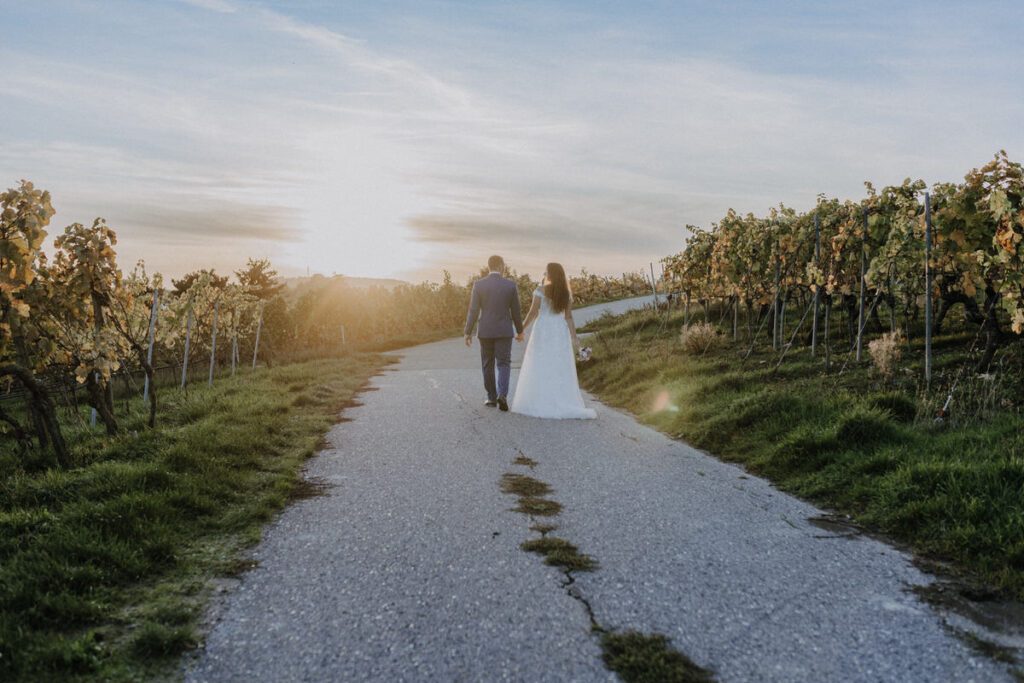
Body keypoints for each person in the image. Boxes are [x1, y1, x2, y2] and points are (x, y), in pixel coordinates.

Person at [511, 262, 597, 419]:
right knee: (558, 364)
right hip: (559, 329)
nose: (544, 274)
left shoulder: (540, 290)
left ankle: (540, 399)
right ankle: (561, 399)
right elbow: (568, 317)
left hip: (543, 329)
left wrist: (521, 329)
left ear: (549, 274)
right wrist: (575, 340)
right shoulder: (566, 294)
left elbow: (532, 313)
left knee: (540, 362)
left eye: (546, 272)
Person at [463, 255, 524, 411]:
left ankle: (491, 397)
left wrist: (468, 331)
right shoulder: (510, 285)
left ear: (489, 266)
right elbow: (516, 311)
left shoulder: (478, 285)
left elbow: (473, 310)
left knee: (487, 364)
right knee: (504, 363)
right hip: (504, 331)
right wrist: (520, 331)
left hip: (485, 330)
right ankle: (502, 395)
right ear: (501, 266)